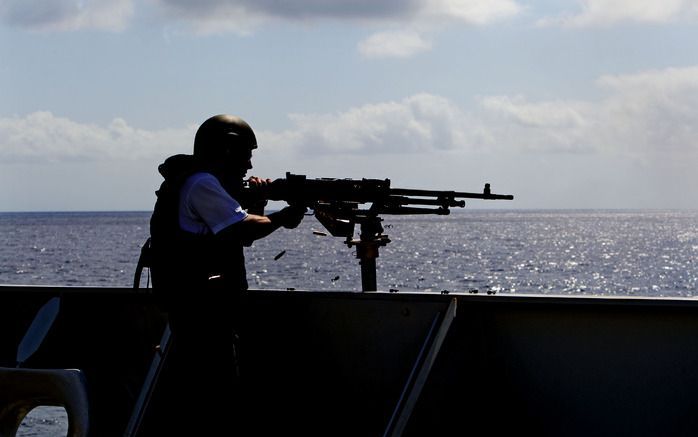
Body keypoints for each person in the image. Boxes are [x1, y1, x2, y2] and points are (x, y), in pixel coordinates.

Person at [145, 114, 305, 433]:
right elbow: (241, 227)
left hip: (200, 309)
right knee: (216, 402)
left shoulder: (193, 181)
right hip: (202, 314)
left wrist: (259, 203)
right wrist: (286, 214)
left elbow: (239, 235)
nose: (248, 165)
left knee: (211, 398)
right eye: (246, 154)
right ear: (227, 150)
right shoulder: (201, 183)